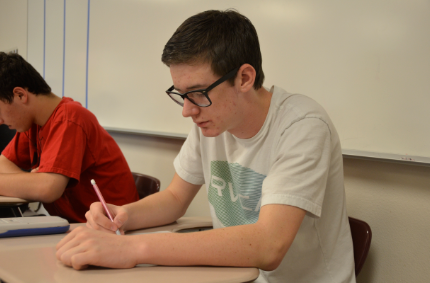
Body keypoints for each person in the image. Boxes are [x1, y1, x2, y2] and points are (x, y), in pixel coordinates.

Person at [56, 9, 356, 282]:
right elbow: (174, 198)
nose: (187, 110)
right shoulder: (213, 124)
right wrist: (123, 215)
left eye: (198, 93)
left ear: (244, 77)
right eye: (181, 94)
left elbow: (269, 246)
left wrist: (134, 247)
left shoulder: (302, 125)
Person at [0, 52, 139, 223]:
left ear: (20, 95)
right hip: (75, 226)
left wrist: (35, 182)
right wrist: (30, 181)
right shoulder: (33, 123)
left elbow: (48, 189)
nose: (0, 121)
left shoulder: (70, 118)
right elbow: (3, 162)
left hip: (111, 229)